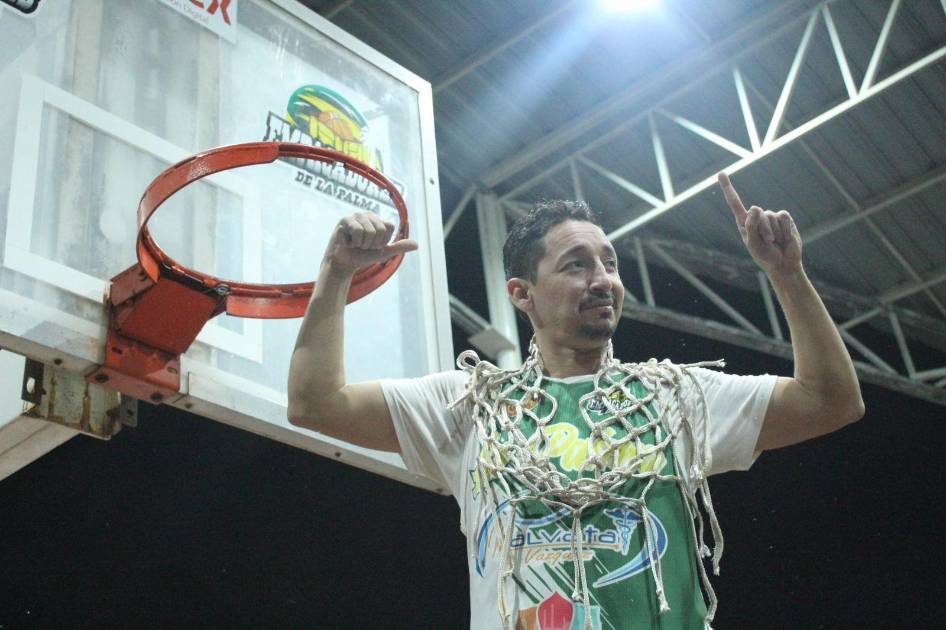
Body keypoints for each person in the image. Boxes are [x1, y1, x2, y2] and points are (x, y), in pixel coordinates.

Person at [287, 173, 864, 629]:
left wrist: (787, 274)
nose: (603, 279)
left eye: (609, 263)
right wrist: (336, 275)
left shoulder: (676, 396)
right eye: (576, 265)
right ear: (522, 294)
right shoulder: (471, 404)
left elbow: (831, 401)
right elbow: (316, 403)